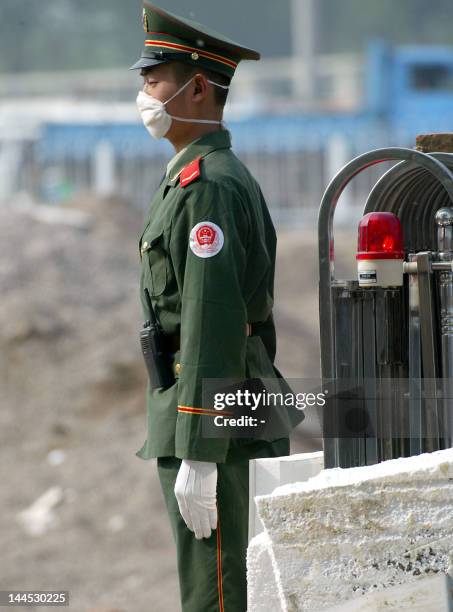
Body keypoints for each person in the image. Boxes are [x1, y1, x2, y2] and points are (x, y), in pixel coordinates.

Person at [131, 3, 303, 611]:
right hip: (205, 411)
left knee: (220, 592)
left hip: (214, 422)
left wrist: (202, 450)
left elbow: (213, 318)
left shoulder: (210, 186)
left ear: (198, 87)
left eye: (155, 77)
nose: (143, 91)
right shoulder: (189, 177)